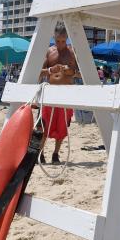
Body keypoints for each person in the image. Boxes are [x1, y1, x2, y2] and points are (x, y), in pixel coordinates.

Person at [38, 22, 81, 164]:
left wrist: (71, 71)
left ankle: (55, 154)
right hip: (50, 93)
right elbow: (38, 72)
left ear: (67, 38)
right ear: (54, 37)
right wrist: (51, 70)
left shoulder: (72, 52)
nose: (61, 44)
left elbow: (81, 74)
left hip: (66, 93)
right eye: (58, 41)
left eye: (63, 41)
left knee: (62, 127)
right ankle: (41, 153)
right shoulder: (49, 51)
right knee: (44, 125)